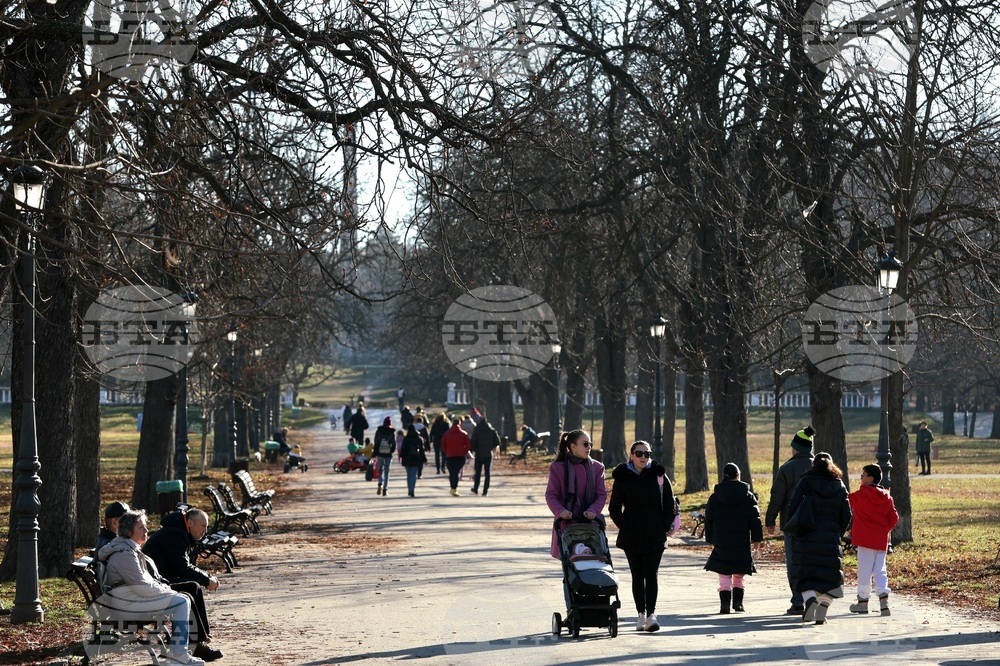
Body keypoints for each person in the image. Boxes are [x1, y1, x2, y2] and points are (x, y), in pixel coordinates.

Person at [96, 509, 206, 665]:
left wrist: (166, 590)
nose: (146, 531)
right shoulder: (125, 554)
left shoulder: (128, 549)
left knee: (182, 599)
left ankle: (179, 653)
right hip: (128, 606)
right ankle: (178, 655)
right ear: (129, 531)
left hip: (129, 600)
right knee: (181, 602)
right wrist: (168, 591)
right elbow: (142, 587)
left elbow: (144, 583)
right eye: (141, 527)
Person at [609, 441, 675, 632]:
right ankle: (640, 615)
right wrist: (626, 525)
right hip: (632, 536)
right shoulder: (623, 478)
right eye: (639, 453)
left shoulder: (660, 476)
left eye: (647, 453)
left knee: (651, 574)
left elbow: (669, 505)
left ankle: (651, 616)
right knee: (637, 575)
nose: (643, 457)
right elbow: (614, 508)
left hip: (655, 534)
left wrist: (663, 525)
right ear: (631, 455)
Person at [142, 509, 224, 662]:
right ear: (190, 523)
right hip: (154, 586)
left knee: (193, 586)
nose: (205, 531)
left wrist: (206, 578)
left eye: (206, 527)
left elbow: (182, 567)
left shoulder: (178, 532)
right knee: (192, 587)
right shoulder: (175, 534)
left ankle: (199, 639)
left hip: (160, 580)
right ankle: (197, 641)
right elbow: (182, 567)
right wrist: (207, 580)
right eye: (202, 526)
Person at [787, 452, 853, 625]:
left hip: (807, 534)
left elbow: (792, 505)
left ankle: (809, 599)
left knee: (806, 574)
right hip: (830, 536)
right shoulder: (839, 485)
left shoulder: (806, 481)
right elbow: (847, 514)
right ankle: (823, 607)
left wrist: (794, 527)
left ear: (814, 465)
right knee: (828, 577)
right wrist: (838, 532)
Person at [764, 426, 815, 614]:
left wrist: (770, 520)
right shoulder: (821, 467)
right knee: (812, 561)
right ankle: (812, 598)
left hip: (792, 523)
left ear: (795, 449)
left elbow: (777, 496)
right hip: (816, 524)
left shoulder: (786, 469)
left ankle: (797, 602)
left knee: (794, 562)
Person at [704, 463, 764, 615]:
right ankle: (738, 603)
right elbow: (754, 519)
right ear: (738, 476)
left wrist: (710, 538)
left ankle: (724, 604)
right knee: (739, 572)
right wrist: (757, 538)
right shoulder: (748, 496)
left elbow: (709, 520)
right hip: (741, 540)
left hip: (721, 540)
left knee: (724, 573)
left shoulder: (715, 496)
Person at [848, 464, 899, 616]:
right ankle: (884, 600)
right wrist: (884, 529)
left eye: (862, 475)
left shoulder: (861, 495)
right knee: (880, 570)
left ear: (870, 478)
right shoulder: (887, 496)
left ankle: (863, 602)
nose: (861, 478)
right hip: (881, 539)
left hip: (864, 538)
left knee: (864, 570)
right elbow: (894, 517)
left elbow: (846, 500)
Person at [470, 416, 500, 496]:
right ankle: (485, 490)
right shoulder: (492, 430)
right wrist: (491, 447)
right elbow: (497, 442)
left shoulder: (477, 430)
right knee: (487, 473)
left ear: (480, 421)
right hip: (488, 454)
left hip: (479, 453)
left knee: (478, 472)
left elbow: (473, 441)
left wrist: (474, 449)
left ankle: (476, 488)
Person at [441, 418, 471, 496]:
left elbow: (443, 445)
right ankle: (454, 488)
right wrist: (464, 452)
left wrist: (446, 452)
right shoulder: (463, 434)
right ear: (459, 424)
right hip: (460, 456)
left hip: (450, 456)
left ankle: (452, 487)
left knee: (451, 473)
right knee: (456, 472)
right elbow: (468, 445)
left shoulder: (446, 434)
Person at [400, 424, 426, 498]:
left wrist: (401, 456)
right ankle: (412, 489)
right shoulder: (419, 438)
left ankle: (409, 489)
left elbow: (403, 449)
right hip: (416, 459)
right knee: (413, 475)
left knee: (408, 475)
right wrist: (424, 459)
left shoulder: (406, 439)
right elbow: (421, 451)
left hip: (407, 459)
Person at [372, 416, 396, 496]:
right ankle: (385, 489)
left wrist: (374, 454)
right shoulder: (392, 432)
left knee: (380, 470)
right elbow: (394, 444)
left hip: (380, 454)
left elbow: (376, 443)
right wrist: (391, 451)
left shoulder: (379, 431)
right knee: (387, 472)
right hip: (388, 454)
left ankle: (380, 483)